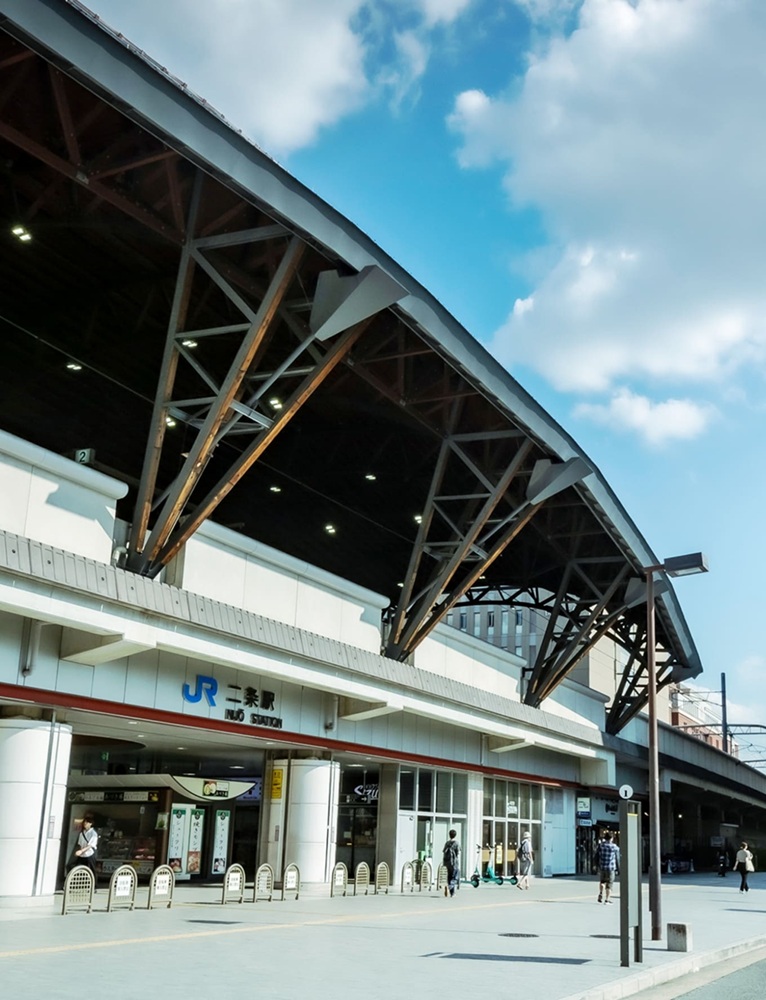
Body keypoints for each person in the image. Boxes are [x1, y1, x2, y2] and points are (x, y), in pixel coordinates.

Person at [596, 831, 620, 904]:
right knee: (609, 884)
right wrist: (619, 868)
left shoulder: (601, 846)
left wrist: (597, 865)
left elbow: (597, 855)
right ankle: (607, 900)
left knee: (602, 881)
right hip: (611, 868)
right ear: (611, 838)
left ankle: (600, 893)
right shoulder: (614, 847)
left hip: (602, 867)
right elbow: (617, 857)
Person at [442, 829, 460, 897]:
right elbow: (458, 853)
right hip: (454, 863)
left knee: (449, 876)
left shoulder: (447, 843)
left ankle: (452, 893)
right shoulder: (456, 843)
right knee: (454, 876)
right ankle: (450, 887)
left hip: (447, 862)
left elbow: (444, 851)